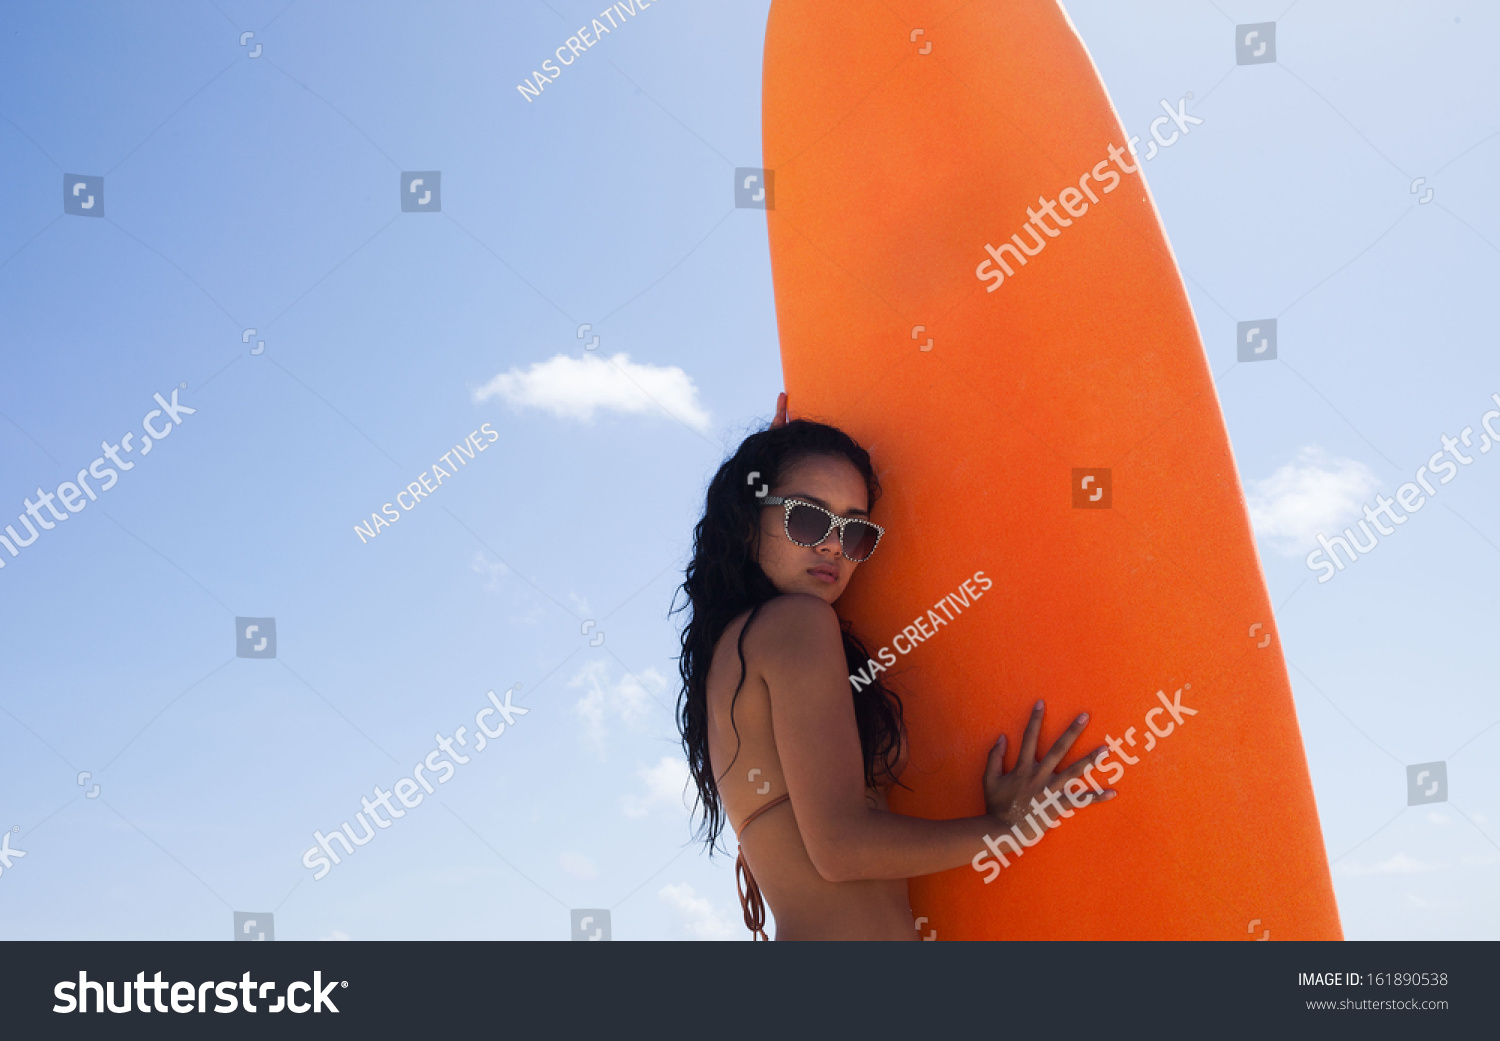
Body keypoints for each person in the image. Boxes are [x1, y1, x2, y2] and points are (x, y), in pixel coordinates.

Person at [674, 393, 1117, 940]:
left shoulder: (734, 652)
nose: (834, 546)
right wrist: (1004, 829)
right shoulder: (796, 624)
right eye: (808, 520)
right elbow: (839, 848)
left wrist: (773, 468)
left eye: (855, 530)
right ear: (746, 521)